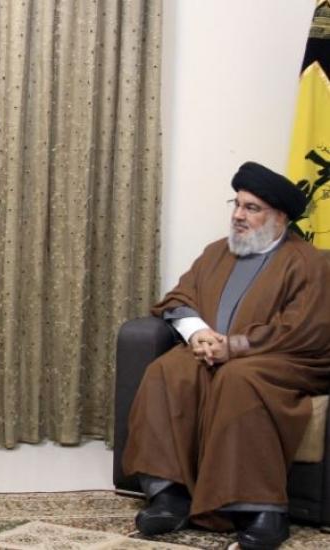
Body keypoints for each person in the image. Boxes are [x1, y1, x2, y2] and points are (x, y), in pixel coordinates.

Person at [122, 161, 330, 550]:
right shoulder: (216, 252)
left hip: (285, 359)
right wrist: (198, 334)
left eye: (252, 208)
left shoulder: (309, 262)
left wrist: (232, 348)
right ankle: (169, 493)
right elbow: (180, 298)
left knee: (240, 378)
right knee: (169, 369)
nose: (238, 215)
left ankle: (261, 509)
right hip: (217, 352)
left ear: (280, 217)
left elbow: (303, 330)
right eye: (236, 204)